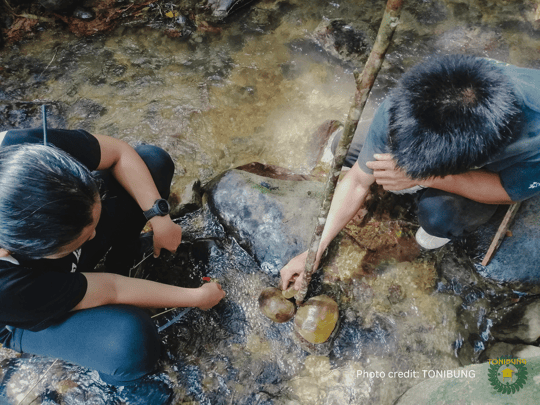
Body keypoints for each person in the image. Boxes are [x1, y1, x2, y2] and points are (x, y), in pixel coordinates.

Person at [281, 54, 540, 291]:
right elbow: (358, 180)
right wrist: (314, 251)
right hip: (451, 134)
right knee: (345, 146)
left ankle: (440, 214)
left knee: (440, 217)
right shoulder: (411, 99)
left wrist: (424, 176)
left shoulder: (534, 139)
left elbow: (507, 191)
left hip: (491, 165)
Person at [0, 127, 226, 388]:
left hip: (44, 260)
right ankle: (119, 379)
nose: (95, 233)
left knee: (152, 162)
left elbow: (119, 153)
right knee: (129, 342)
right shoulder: (8, 287)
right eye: (82, 236)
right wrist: (196, 297)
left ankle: (123, 257)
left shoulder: (28, 154)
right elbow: (110, 288)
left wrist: (159, 217)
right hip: (21, 311)